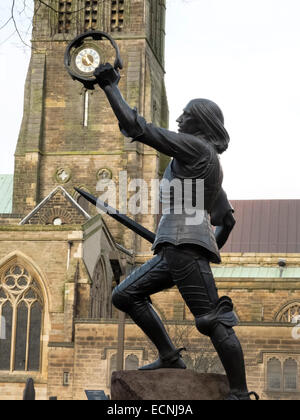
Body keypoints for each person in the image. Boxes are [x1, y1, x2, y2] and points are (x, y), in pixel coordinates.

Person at [94, 63, 258, 400]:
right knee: (125, 295)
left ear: (200, 123)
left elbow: (137, 128)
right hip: (176, 247)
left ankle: (240, 394)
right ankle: (170, 356)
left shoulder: (195, 148)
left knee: (212, 319)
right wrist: (206, 243)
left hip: (182, 248)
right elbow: (226, 219)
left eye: (185, 116)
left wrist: (110, 86)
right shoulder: (205, 161)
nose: (180, 120)